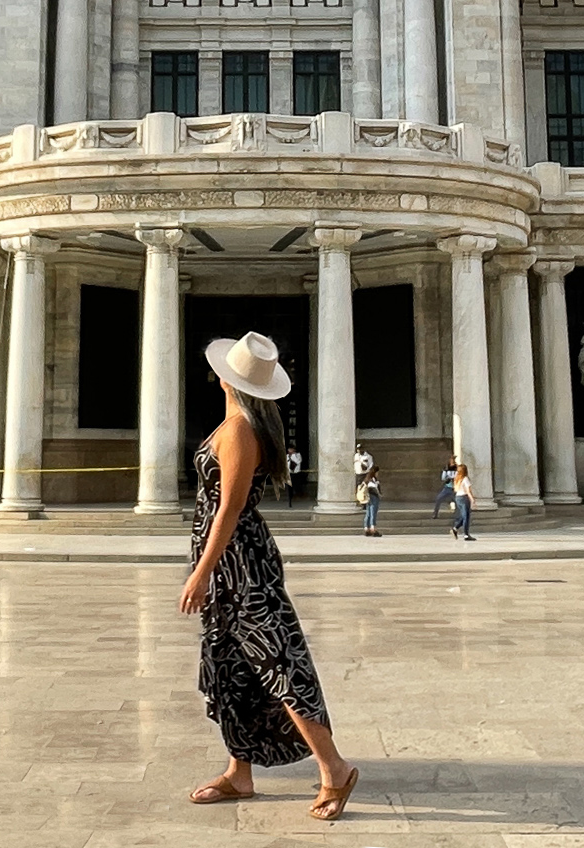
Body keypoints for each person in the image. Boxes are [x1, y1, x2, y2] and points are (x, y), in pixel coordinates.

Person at [181, 332, 358, 823]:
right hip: (230, 563)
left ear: (225, 378)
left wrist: (201, 573)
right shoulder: (236, 422)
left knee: (278, 663)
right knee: (232, 669)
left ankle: (335, 769)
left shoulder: (239, 431)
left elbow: (230, 510)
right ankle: (240, 772)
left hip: (240, 564)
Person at [449, 462, 476, 541]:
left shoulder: (457, 479)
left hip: (458, 497)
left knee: (464, 516)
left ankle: (455, 528)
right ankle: (466, 535)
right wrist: (472, 499)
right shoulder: (465, 479)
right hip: (464, 498)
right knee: (466, 516)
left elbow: (455, 489)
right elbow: (468, 491)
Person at [360, 467, 382, 537]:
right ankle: (373, 528)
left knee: (368, 513)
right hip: (373, 497)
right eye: (377, 472)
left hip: (368, 498)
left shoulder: (366, 480)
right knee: (373, 512)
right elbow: (375, 489)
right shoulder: (372, 480)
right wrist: (379, 494)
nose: (378, 474)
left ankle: (366, 528)